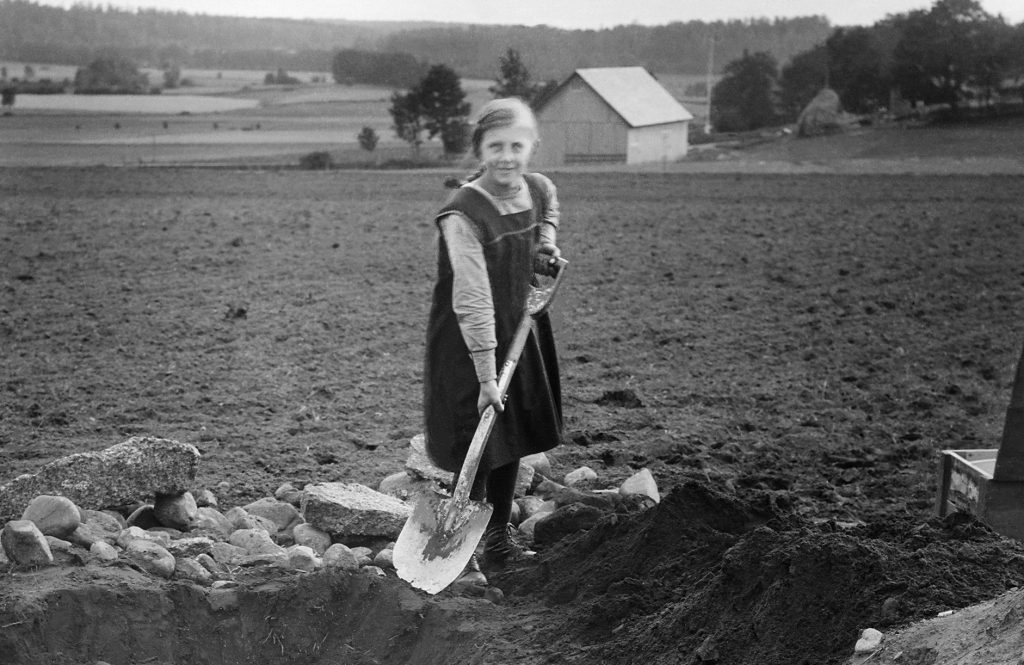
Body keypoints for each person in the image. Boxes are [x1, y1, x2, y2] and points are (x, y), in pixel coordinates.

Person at [423, 97, 564, 587]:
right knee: (478, 439)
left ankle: (498, 540)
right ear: (479, 149)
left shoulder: (538, 188)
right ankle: (462, 549)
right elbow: (472, 296)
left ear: (532, 146)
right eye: (495, 146)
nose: (507, 157)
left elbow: (549, 209)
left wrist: (546, 243)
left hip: (522, 330)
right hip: (470, 340)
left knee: (513, 434)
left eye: (517, 146)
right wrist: (486, 375)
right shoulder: (462, 212)